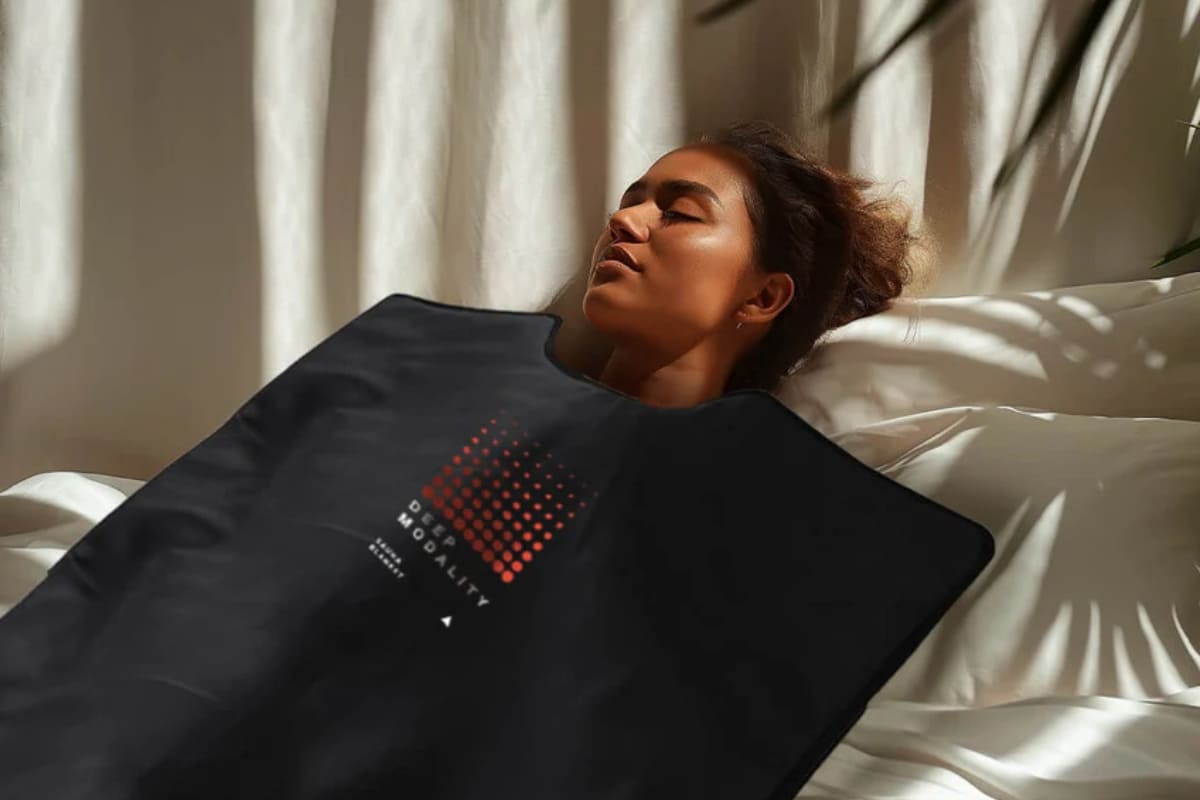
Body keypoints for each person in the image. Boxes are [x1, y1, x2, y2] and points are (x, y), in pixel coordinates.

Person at [581, 119, 937, 409]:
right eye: (627, 202)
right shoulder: (529, 396)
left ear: (762, 298)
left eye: (679, 214)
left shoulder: (741, 485)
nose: (623, 220)